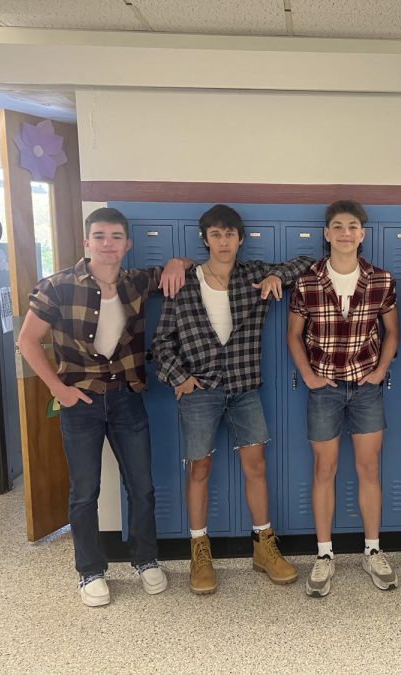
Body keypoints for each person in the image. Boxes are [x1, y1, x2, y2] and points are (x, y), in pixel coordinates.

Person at [17, 207, 190, 607]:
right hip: (82, 402)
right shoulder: (57, 286)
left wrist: (178, 261)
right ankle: (90, 571)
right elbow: (27, 342)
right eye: (99, 236)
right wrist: (58, 389)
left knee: (142, 487)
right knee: (85, 492)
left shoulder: (137, 282)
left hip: (128, 398)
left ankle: (146, 560)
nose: (108, 244)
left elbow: (181, 267)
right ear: (86, 242)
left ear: (127, 244)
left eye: (115, 237)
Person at [152, 204, 312, 594]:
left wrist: (277, 274)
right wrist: (180, 378)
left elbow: (308, 262)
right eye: (216, 234)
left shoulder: (254, 275)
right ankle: (199, 550)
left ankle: (264, 546)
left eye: (230, 234)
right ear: (204, 239)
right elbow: (162, 342)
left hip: (244, 389)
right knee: (200, 470)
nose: (223, 242)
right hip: (200, 392)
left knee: (255, 465)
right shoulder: (184, 282)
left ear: (241, 239)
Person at [287, 199, 400, 597]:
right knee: (324, 470)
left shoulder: (381, 279)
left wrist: (381, 370)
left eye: (353, 226)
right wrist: (308, 376)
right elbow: (293, 335)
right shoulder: (308, 281)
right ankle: (323, 556)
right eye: (337, 225)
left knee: (369, 470)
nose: (345, 232)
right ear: (326, 233)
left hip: (367, 390)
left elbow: (392, 333)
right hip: (326, 391)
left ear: (362, 234)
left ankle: (373, 549)